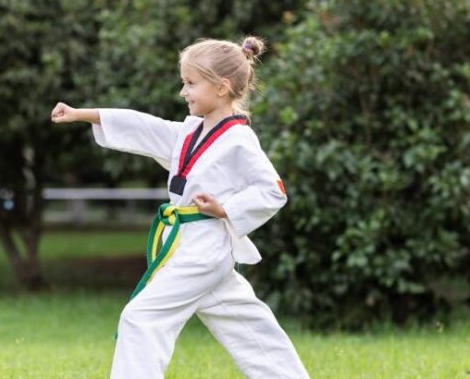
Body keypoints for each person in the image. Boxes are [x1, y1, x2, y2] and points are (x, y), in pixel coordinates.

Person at [50, 36, 310, 378]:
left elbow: (273, 190)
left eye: (190, 83)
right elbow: (145, 127)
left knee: (141, 317)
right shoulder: (190, 132)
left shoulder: (239, 140)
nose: (183, 92)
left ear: (221, 87)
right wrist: (83, 114)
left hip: (204, 249)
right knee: (250, 328)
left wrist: (225, 209)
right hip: (191, 245)